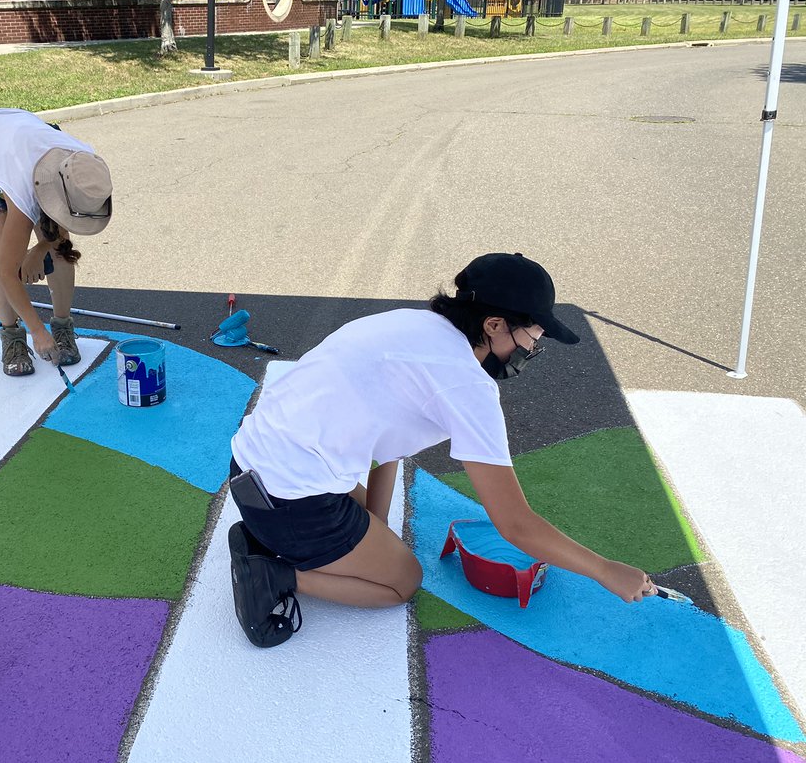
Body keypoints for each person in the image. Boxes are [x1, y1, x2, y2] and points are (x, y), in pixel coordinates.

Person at [227, 252, 659, 648]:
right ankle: (275, 574)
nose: (531, 350)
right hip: (289, 499)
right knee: (402, 582)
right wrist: (605, 570)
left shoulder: (412, 325)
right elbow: (516, 525)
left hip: (249, 467)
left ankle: (266, 539)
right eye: (532, 336)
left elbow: (389, 444)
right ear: (494, 324)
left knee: (369, 537)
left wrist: (375, 531)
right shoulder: (467, 385)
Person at [0, 108, 113, 376]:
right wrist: (37, 330)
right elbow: (6, 271)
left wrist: (40, 248)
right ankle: (12, 337)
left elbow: (62, 222)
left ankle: (62, 327)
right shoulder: (23, 191)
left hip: (22, 144)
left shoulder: (86, 168)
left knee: (60, 242)